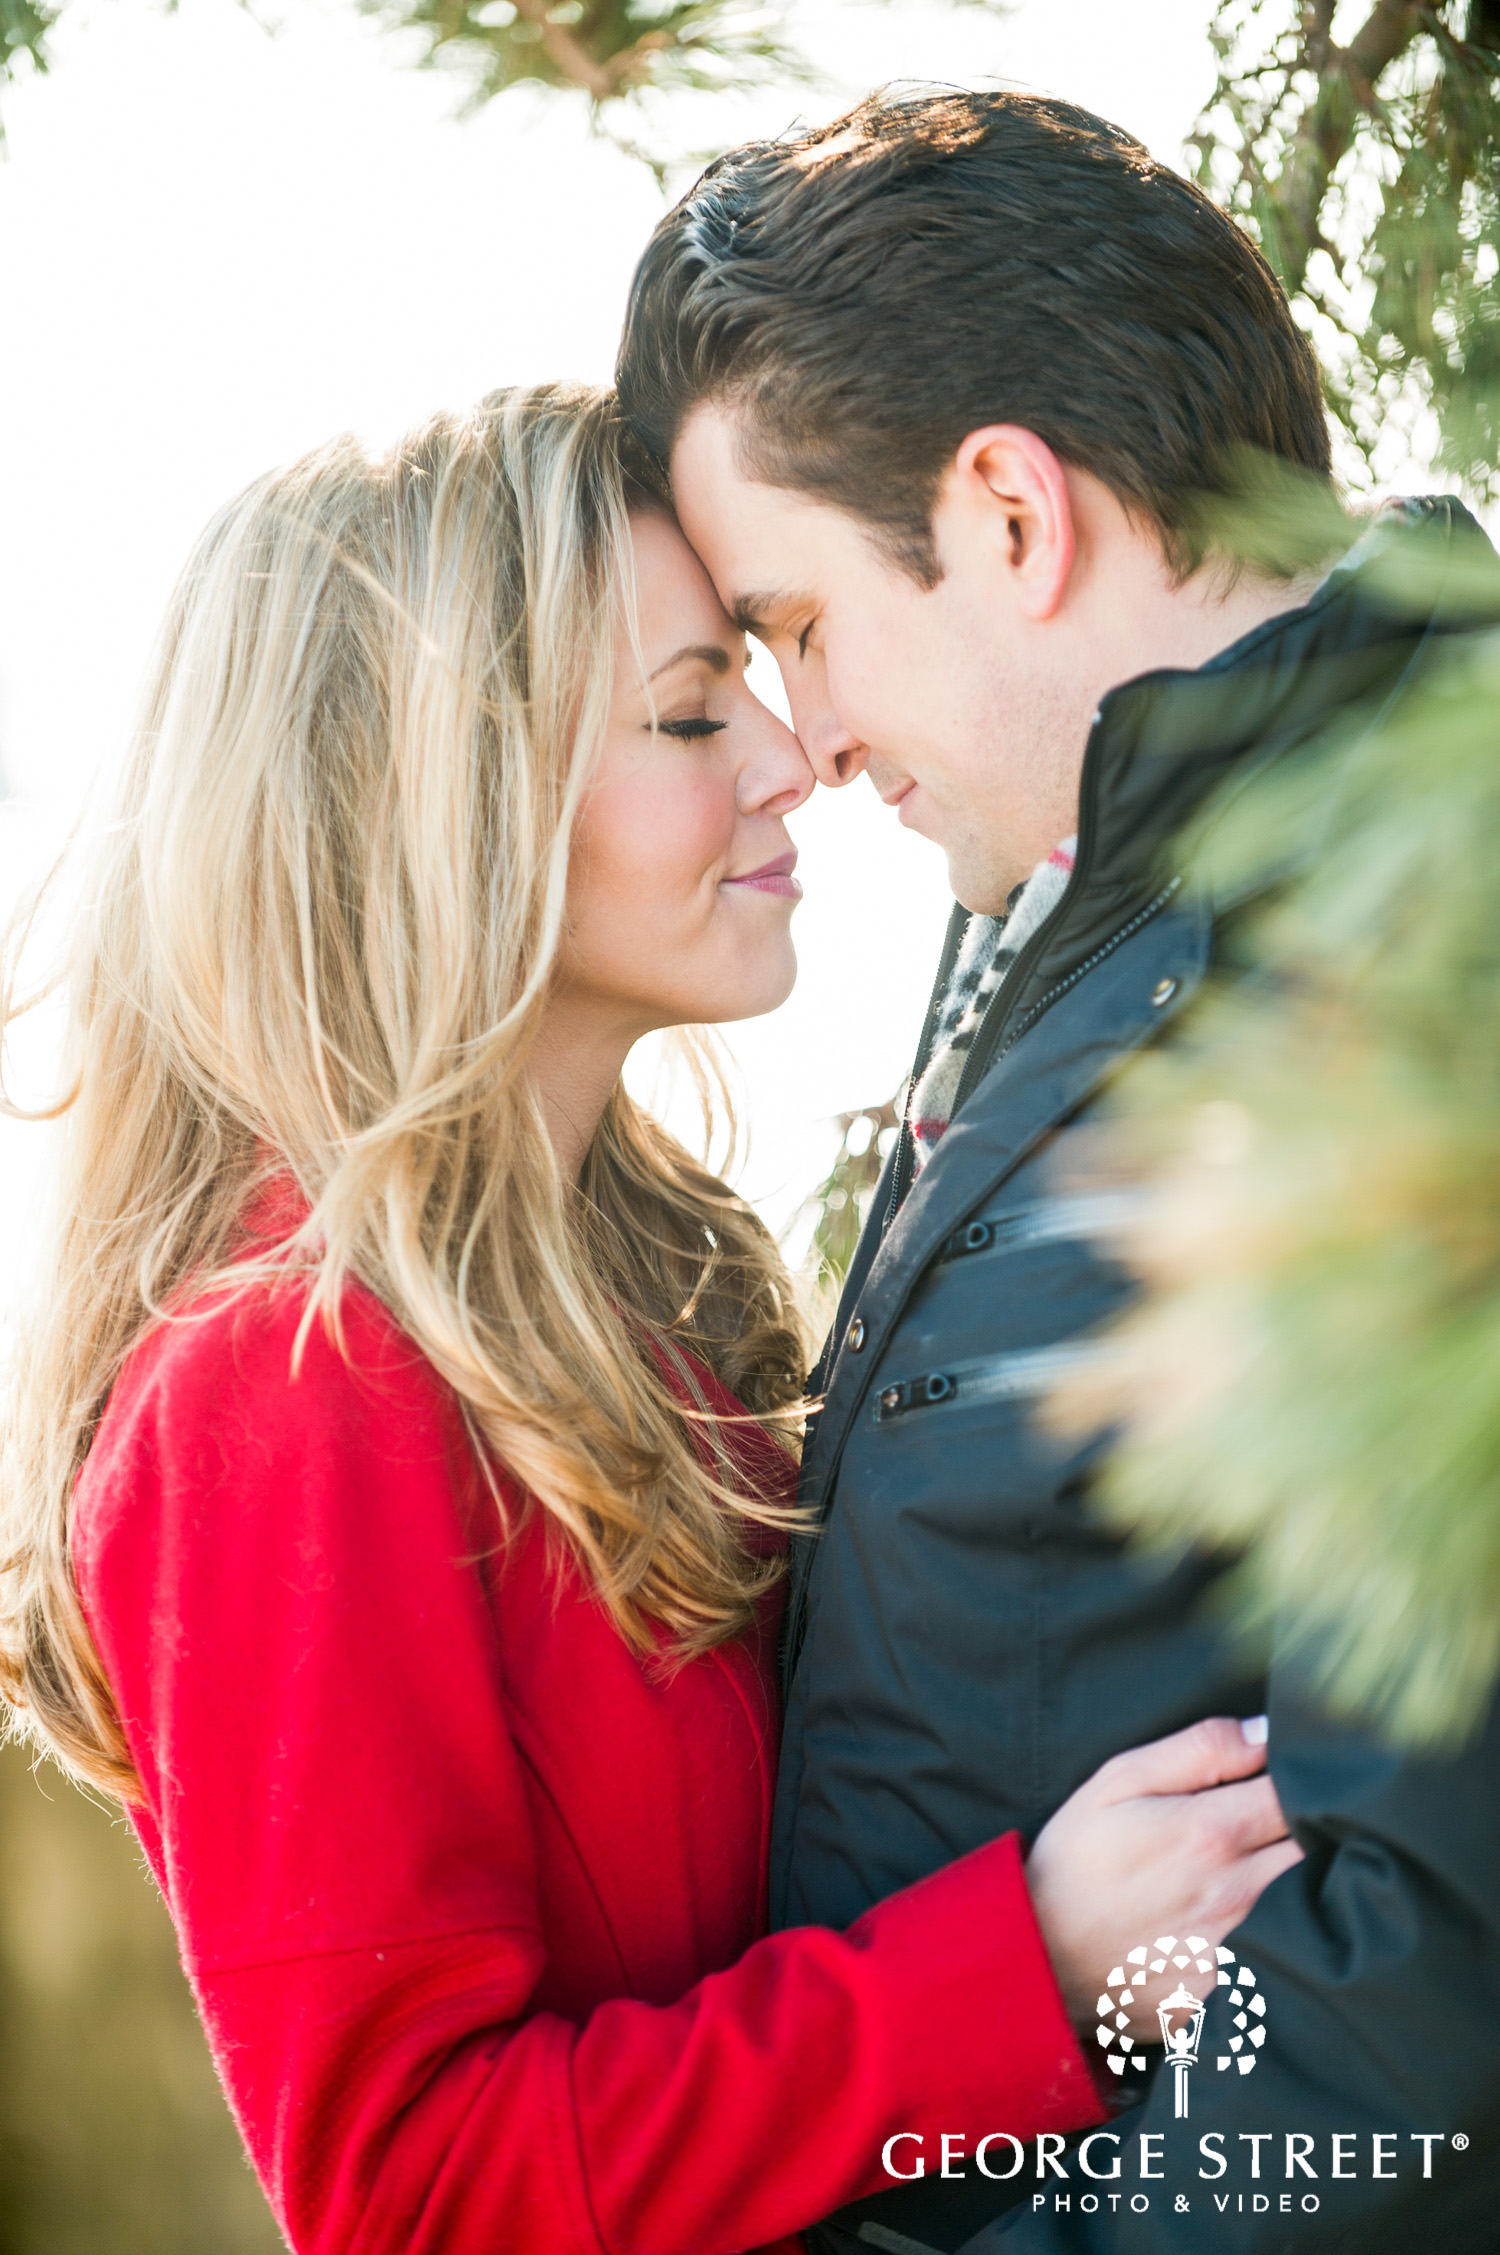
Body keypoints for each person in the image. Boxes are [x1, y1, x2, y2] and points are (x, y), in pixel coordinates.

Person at [0, 386, 1297, 2255]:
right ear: (447, 807)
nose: (792, 757)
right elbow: (414, 2191)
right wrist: (1033, 1964)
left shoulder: (650, 1295)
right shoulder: (282, 1386)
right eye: (695, 711)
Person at [615, 88, 1500, 2255]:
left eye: (798, 623)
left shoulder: (1425, 930)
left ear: (1007, 512)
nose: (799, 739)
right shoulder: (1112, 881)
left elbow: (1433, 1982)